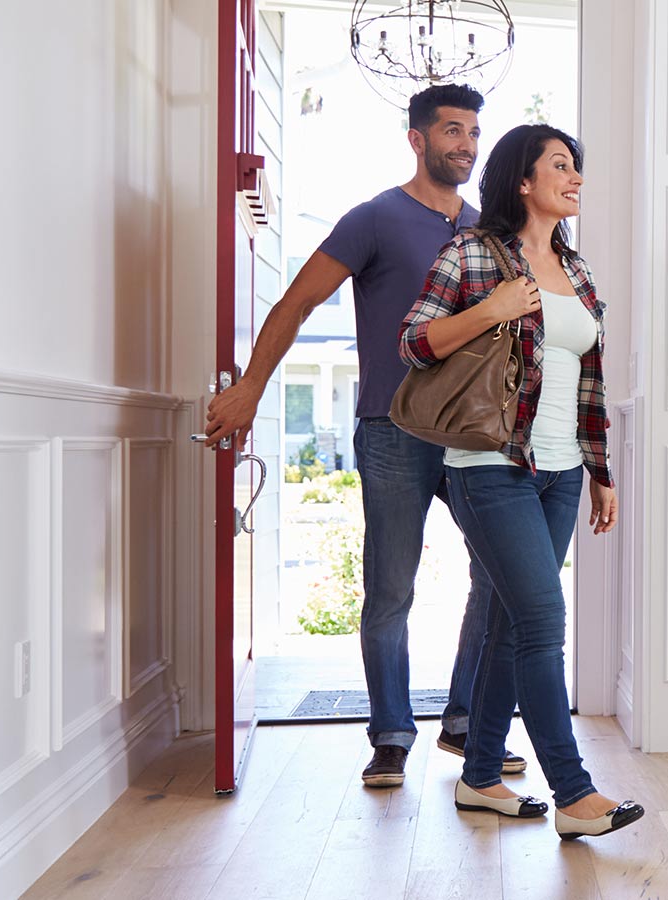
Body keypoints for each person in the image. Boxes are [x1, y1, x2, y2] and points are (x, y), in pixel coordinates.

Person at [199, 84, 528, 787]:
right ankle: (391, 734)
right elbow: (296, 302)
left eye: (473, 132)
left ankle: (467, 721)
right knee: (389, 590)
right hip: (393, 429)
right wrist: (251, 386)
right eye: (451, 131)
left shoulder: (486, 232)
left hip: (474, 437)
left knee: (500, 578)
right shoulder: (375, 219)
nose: (466, 144)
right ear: (417, 139)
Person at [399, 123, 645, 840]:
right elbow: (412, 342)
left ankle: (479, 779)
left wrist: (600, 473)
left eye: (579, 167)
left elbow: (589, 382)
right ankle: (573, 794)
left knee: (510, 625)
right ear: (523, 181)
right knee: (542, 622)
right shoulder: (472, 253)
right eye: (562, 167)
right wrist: (491, 308)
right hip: (491, 468)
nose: (576, 179)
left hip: (563, 473)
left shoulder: (580, 269)